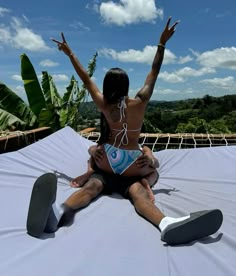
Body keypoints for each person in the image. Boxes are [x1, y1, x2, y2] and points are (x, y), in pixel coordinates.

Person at [26, 17, 223, 245]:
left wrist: (70, 54)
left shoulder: (104, 105)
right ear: (127, 85)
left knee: (91, 188)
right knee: (139, 194)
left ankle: (59, 214)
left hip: (108, 160)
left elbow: (85, 78)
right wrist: (161, 44)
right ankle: (166, 223)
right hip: (132, 165)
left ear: (108, 86)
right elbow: (154, 71)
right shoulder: (139, 102)